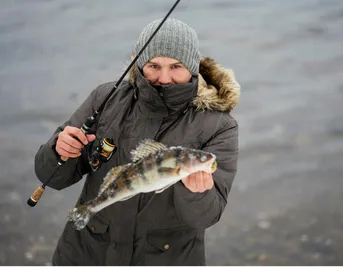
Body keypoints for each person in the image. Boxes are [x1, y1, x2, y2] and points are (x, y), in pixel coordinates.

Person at [34, 17, 240, 267]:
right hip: (85, 255)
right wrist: (59, 151)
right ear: (140, 63)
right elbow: (53, 177)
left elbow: (206, 216)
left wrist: (196, 193)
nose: (164, 78)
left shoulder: (220, 126)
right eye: (153, 65)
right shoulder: (105, 98)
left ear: (193, 67)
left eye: (176, 66)